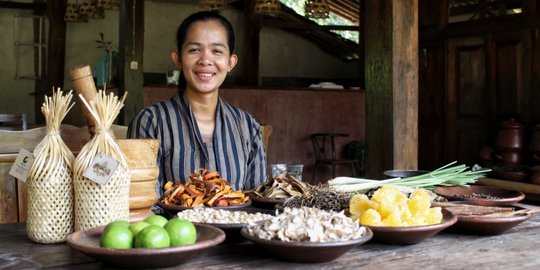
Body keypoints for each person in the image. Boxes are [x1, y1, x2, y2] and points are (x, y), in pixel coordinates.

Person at [128, 11, 267, 201]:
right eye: (194, 50)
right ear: (177, 58)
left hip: (235, 231)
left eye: (217, 51)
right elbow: (143, 204)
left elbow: (257, 201)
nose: (205, 60)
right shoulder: (151, 122)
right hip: (170, 230)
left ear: (230, 62)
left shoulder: (247, 126)